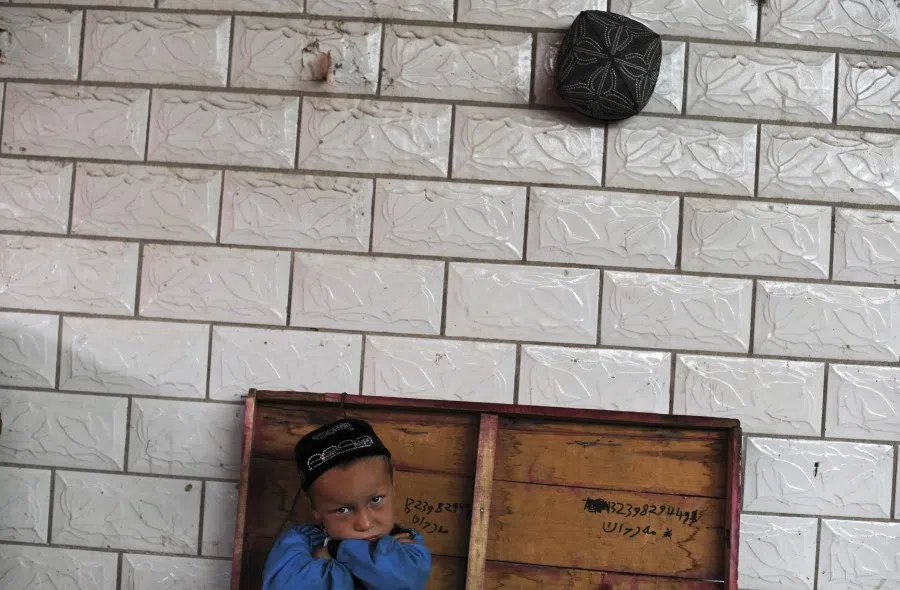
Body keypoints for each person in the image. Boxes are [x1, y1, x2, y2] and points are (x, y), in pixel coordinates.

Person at [262, 418, 432, 589]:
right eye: (343, 510)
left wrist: (334, 551)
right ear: (314, 508)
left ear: (392, 486)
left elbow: (401, 581)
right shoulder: (299, 542)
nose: (365, 524)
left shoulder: (409, 543)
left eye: (376, 500)